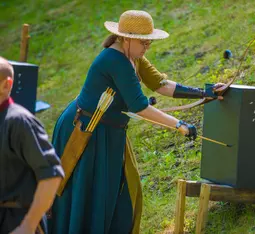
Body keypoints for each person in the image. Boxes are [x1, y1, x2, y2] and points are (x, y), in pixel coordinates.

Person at [49, 10, 224, 234]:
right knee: (85, 195)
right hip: (85, 132)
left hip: (109, 132)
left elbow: (161, 84)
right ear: (125, 38)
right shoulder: (115, 60)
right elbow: (139, 106)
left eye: (149, 43)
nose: (146, 47)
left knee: (114, 194)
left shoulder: (133, 57)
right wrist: (178, 124)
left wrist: (203, 93)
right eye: (143, 42)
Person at [0, 56, 64, 234]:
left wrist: (28, 225)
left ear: (7, 84)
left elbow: (51, 176)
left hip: (16, 222)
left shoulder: (20, 122)